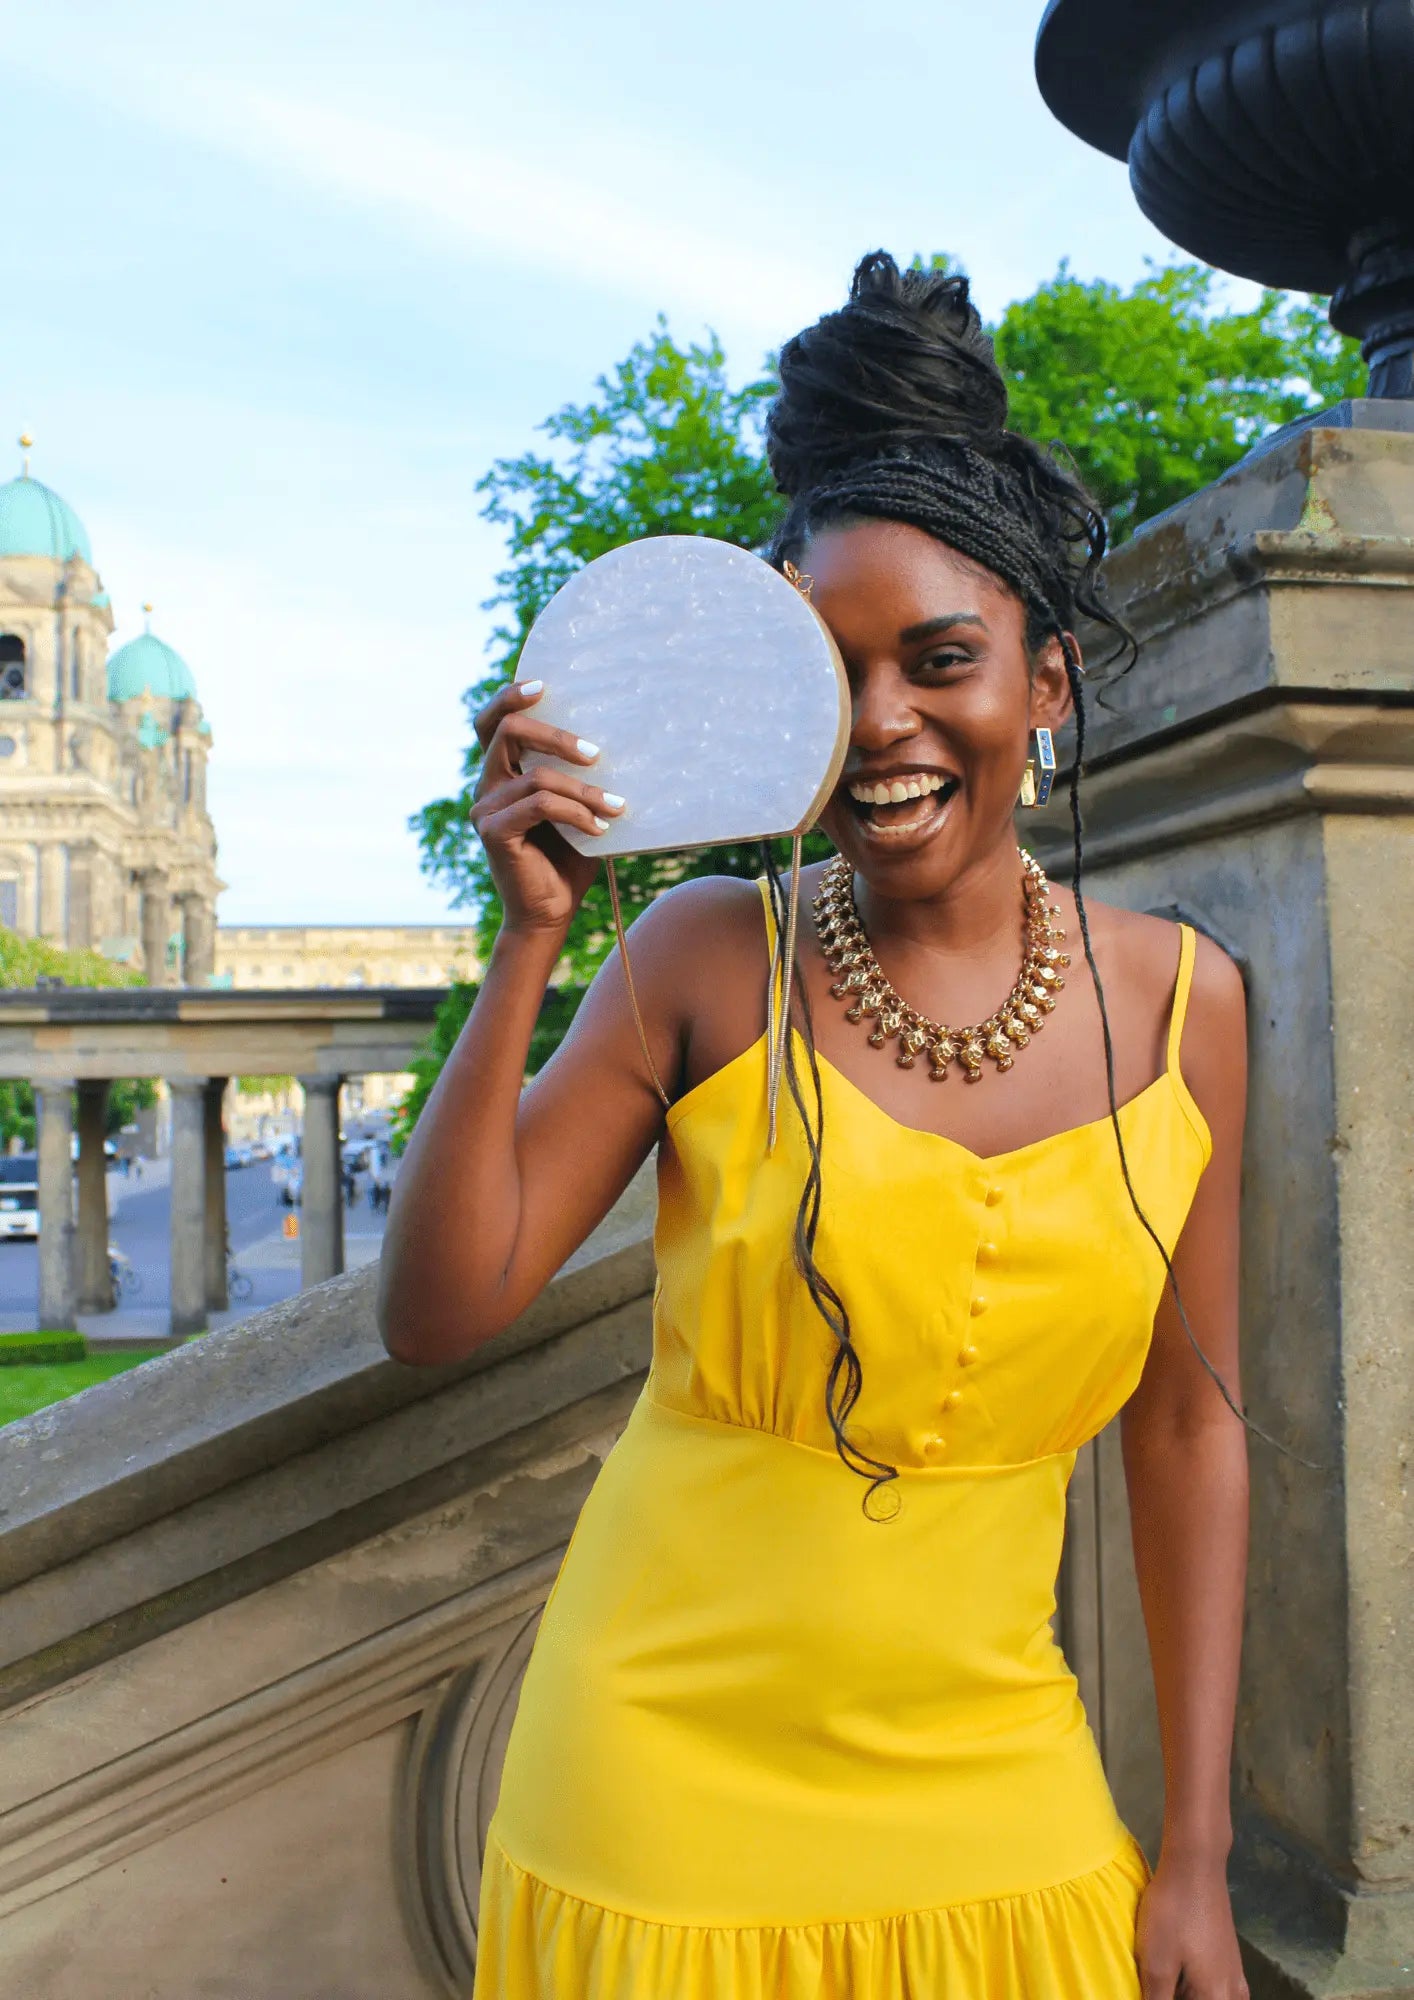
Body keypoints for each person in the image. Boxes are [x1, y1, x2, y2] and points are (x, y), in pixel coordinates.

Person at [379, 254, 1251, 2000]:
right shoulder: (709, 954)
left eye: (941, 661)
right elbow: (440, 1311)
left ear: (1050, 684)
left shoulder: (1184, 1007)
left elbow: (1187, 1428)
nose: (881, 727)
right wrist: (533, 935)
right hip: (655, 1782)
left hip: (1000, 1772)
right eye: (831, 678)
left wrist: (1194, 1858)